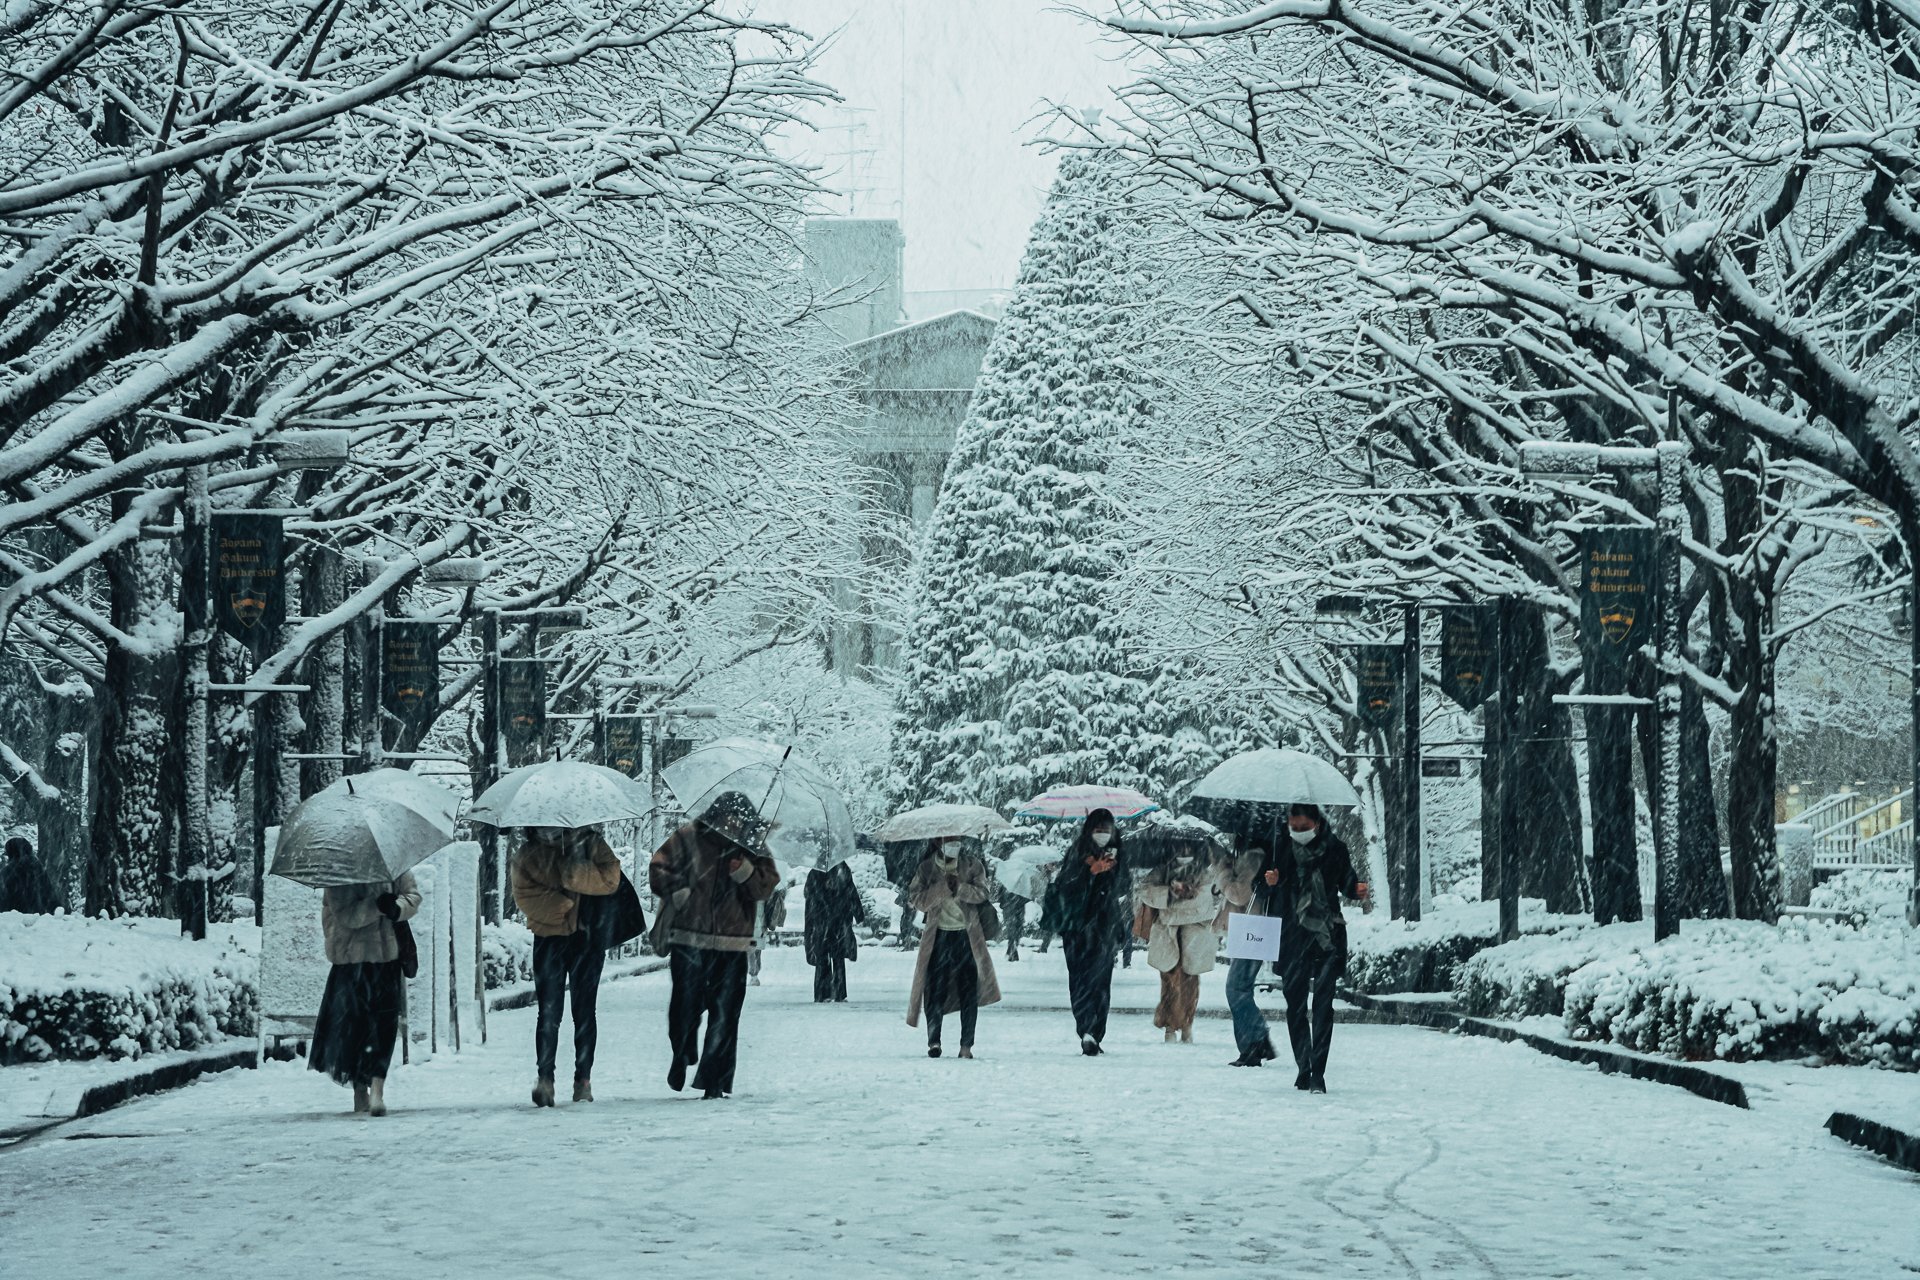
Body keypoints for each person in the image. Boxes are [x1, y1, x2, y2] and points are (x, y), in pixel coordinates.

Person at [649, 791, 780, 1099]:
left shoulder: (753, 847)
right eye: (727, 818)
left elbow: (766, 886)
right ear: (715, 815)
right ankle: (682, 1052)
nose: (732, 824)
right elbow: (658, 868)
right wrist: (677, 889)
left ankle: (714, 1081)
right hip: (689, 937)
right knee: (684, 1007)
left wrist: (745, 872)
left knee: (725, 1013)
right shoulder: (687, 837)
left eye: (738, 819)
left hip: (732, 941)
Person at [512, 825, 622, 1107]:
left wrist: (575, 873)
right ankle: (545, 1078)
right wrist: (563, 905)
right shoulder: (528, 854)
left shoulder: (591, 844)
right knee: (548, 1011)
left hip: (587, 938)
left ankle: (582, 1079)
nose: (549, 830)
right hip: (549, 937)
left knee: (585, 1011)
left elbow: (611, 878)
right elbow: (524, 895)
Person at [1268, 803, 1369, 1093]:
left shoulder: (1335, 848)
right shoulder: (1281, 848)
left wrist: (1356, 889)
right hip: (1292, 934)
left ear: (1318, 824)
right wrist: (1273, 881)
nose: (1298, 832)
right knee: (1295, 1006)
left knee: (1323, 1006)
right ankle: (1304, 1066)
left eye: (1303, 827)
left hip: (1327, 935)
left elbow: (1346, 881)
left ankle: (1318, 1074)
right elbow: (1267, 886)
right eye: (1294, 827)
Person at [309, 872, 421, 1116]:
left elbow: (413, 895)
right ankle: (360, 1091)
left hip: (387, 959)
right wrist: (377, 906)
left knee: (385, 1026)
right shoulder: (339, 870)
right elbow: (345, 915)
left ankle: (377, 1090)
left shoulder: (393, 862)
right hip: (351, 962)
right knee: (355, 1028)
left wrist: (397, 907)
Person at [1040, 810, 1128, 1055]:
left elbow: (1123, 888)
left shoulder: (1118, 853)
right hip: (1077, 928)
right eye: (1098, 829)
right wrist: (1089, 872)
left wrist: (1111, 871)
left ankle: (1095, 1033)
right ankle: (1085, 1028)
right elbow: (1066, 886)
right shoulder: (1077, 852)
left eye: (1106, 830)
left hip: (1105, 927)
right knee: (1080, 980)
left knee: (1101, 982)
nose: (1102, 834)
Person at [905, 838, 1001, 1059]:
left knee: (969, 992)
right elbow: (916, 899)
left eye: (957, 839)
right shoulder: (927, 868)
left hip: (967, 938)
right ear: (939, 842)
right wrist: (941, 889)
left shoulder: (972, 865)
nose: (954, 844)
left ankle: (966, 1045)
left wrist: (960, 887)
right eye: (949, 840)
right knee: (934, 991)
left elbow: (983, 893)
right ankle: (934, 1041)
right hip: (938, 938)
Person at [1137, 835, 1225, 1043]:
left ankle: (1186, 1024)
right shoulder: (1161, 870)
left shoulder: (1204, 873)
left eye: (1189, 847)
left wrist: (1183, 895)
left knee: (1190, 981)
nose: (1184, 851)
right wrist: (1170, 892)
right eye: (1180, 847)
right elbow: (1145, 890)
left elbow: (1206, 898)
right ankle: (1170, 1025)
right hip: (1167, 933)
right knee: (1169, 979)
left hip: (1193, 934)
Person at [1221, 828, 1281, 1067]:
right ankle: (1251, 1048)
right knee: (1239, 989)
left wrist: (1223, 870)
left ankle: (1257, 1040)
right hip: (1254, 928)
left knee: (1236, 989)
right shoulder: (1263, 851)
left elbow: (1239, 893)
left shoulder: (1256, 855)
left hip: (1254, 928)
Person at [804, 861, 859, 1001]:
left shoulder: (818, 870)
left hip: (825, 920)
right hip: (834, 919)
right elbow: (851, 891)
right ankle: (836, 993)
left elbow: (809, 893)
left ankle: (824, 993)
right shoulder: (841, 869)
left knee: (827, 956)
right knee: (834, 957)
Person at [0, 836, 59, 914]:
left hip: (13, 918)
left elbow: (3, 897)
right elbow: (49, 894)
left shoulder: (7, 872)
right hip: (37, 917)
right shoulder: (38, 868)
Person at [748, 876, 789, 987]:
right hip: (759, 924)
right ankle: (754, 975)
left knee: (752, 949)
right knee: (754, 950)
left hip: (755, 924)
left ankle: (754, 975)